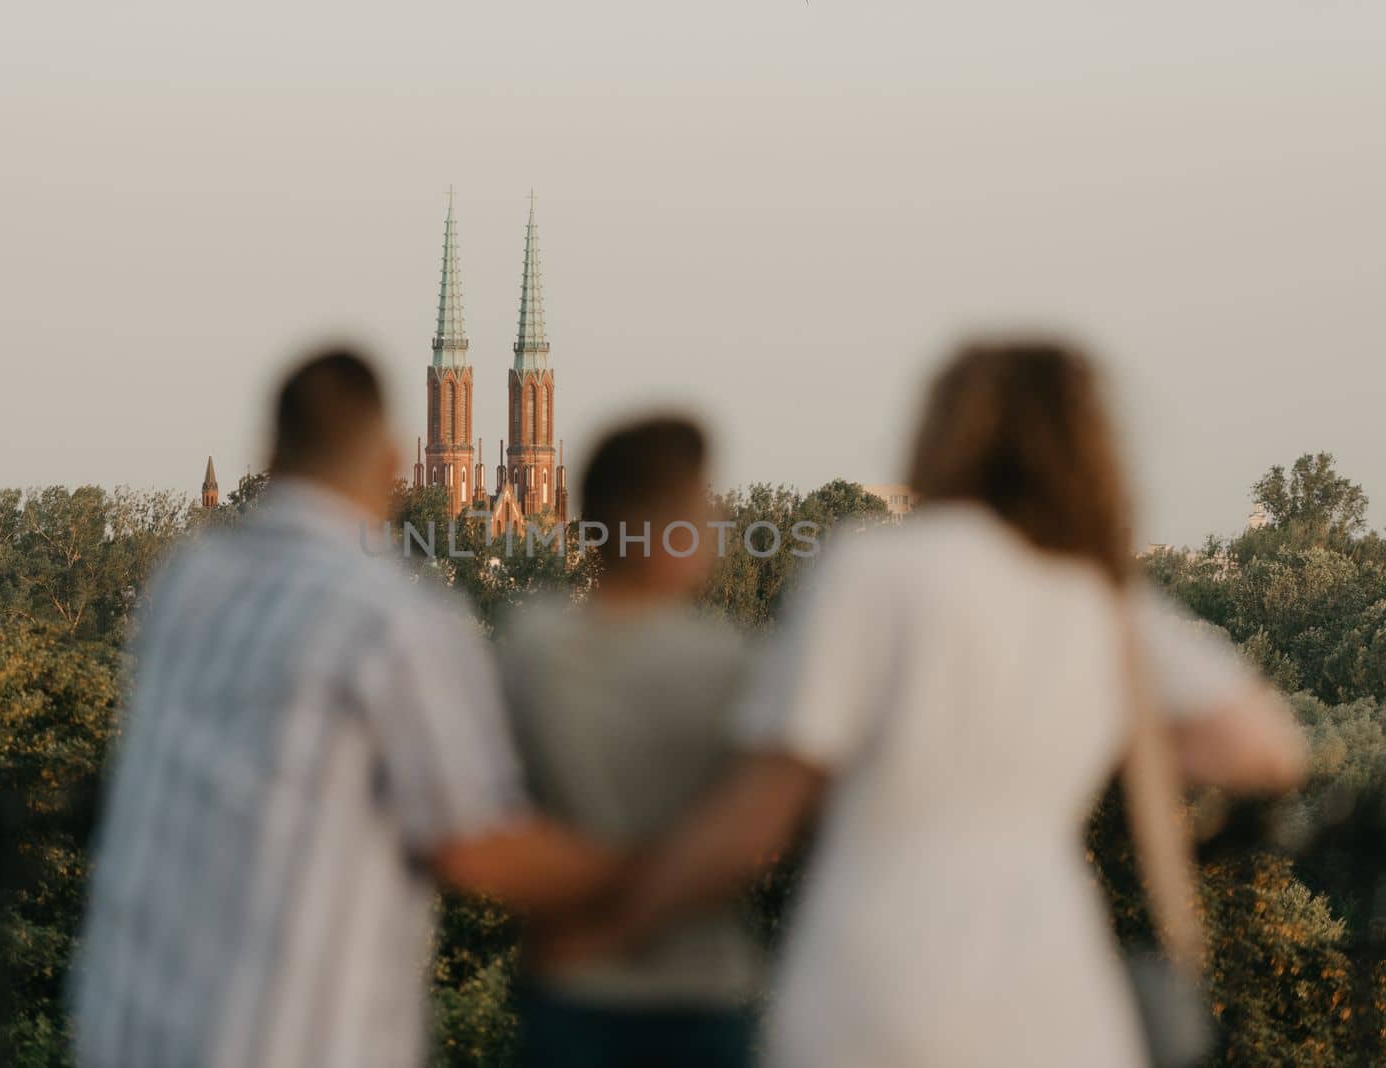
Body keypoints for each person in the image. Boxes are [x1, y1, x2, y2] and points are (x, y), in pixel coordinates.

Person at [551, 339, 1307, 1067]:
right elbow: (1264, 748)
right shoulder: (1098, 592)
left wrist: (622, 916)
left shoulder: (875, 567)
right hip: (1051, 991)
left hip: (875, 983)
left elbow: (759, 812)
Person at [70, 347, 623, 1068]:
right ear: (397, 460)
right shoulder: (390, 615)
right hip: (290, 1041)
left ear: (268, 453)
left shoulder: (184, 585)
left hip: (128, 1035)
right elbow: (475, 839)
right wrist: (654, 871)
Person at [498, 416, 763, 1068]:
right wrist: (652, 895)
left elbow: (488, 815)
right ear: (668, 526)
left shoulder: (530, 645)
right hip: (698, 993)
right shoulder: (724, 660)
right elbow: (754, 833)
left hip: (568, 984)